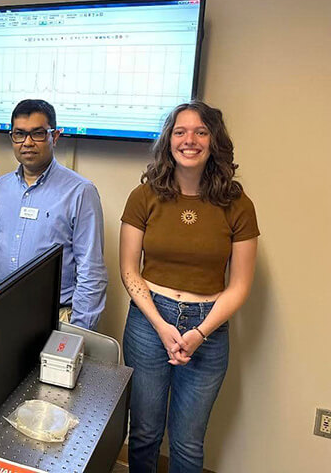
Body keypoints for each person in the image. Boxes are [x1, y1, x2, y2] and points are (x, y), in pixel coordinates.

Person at [119, 101, 259, 473]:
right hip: (149, 322)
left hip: (208, 328)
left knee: (187, 442)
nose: (189, 140)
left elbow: (240, 285)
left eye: (200, 131)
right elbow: (129, 271)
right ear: (169, 141)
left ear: (214, 141)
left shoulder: (238, 204)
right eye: (180, 132)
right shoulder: (144, 196)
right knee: (146, 432)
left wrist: (199, 332)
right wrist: (161, 326)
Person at [0, 99, 107, 330]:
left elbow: (91, 270)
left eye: (37, 133)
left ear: (54, 136)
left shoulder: (80, 192)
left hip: (52, 318)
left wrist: (78, 331)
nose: (27, 143)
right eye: (19, 134)